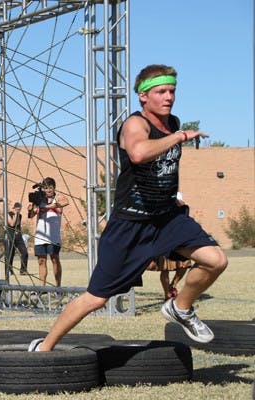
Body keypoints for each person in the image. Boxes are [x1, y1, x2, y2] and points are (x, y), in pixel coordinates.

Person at [28, 64, 227, 351]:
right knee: (96, 298)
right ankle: (44, 346)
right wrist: (181, 136)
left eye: (172, 91)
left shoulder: (172, 122)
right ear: (143, 96)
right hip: (130, 225)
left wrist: (176, 134)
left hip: (167, 218)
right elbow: (137, 153)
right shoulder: (136, 125)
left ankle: (180, 308)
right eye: (161, 91)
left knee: (216, 260)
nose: (168, 97)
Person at [147, 193, 192, 301]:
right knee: (165, 268)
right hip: (163, 239)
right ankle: (167, 294)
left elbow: (183, 205)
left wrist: (174, 201)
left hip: (178, 238)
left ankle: (173, 285)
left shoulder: (177, 195)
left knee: (185, 264)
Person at [27, 177, 69, 286]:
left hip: (53, 236)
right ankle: (42, 288)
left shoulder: (58, 197)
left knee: (55, 260)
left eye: (50, 188)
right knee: (41, 261)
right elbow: (31, 215)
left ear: (54, 188)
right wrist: (30, 209)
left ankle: (58, 287)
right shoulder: (40, 200)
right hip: (40, 237)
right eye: (46, 188)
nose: (48, 190)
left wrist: (46, 207)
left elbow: (65, 202)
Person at [6, 202, 29, 275]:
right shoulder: (8, 214)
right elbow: (12, 224)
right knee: (10, 254)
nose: (19, 210)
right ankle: (9, 270)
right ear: (14, 208)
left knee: (24, 252)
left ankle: (23, 270)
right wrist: (16, 214)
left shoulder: (20, 215)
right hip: (11, 236)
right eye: (17, 209)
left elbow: (18, 225)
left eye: (20, 209)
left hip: (19, 237)